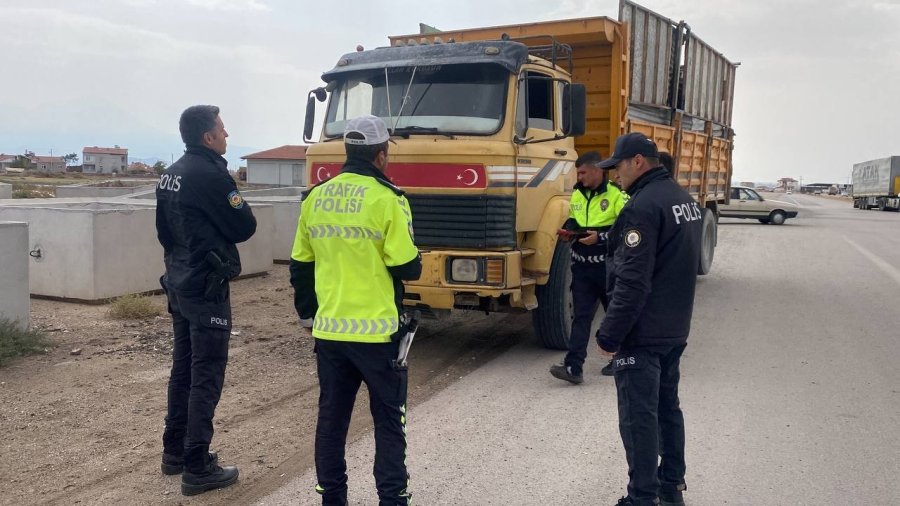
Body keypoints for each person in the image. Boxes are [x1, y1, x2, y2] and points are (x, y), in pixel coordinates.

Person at [290, 115, 422, 506]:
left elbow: (301, 264)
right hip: (378, 335)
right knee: (388, 422)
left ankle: (332, 497)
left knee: (331, 422)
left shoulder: (316, 197)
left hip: (329, 333)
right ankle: (392, 499)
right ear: (381, 156)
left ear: (349, 152)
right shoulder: (389, 198)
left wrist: (308, 315)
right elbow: (407, 267)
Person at [594, 133, 701, 506]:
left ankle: (642, 498)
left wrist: (609, 334)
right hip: (674, 328)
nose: (614, 176)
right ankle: (671, 487)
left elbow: (632, 282)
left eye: (617, 167)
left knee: (639, 419)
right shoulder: (684, 200)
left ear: (637, 161)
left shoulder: (642, 207)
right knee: (667, 409)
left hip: (643, 332)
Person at [156, 105, 257, 495]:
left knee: (183, 369)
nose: (227, 135)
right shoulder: (211, 174)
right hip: (207, 288)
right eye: (222, 129)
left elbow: (164, 232)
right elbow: (244, 226)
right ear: (208, 137)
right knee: (206, 374)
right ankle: (197, 465)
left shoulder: (171, 174)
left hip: (180, 282)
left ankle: (174, 452)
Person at [550, 151, 625, 384]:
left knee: (614, 315)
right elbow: (575, 218)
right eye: (578, 172)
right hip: (582, 268)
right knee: (580, 318)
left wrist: (600, 238)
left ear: (598, 169)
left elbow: (626, 229)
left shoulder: (616, 195)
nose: (579, 177)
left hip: (607, 268)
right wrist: (567, 230)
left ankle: (621, 360)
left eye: (583, 172)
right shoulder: (578, 193)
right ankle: (574, 368)